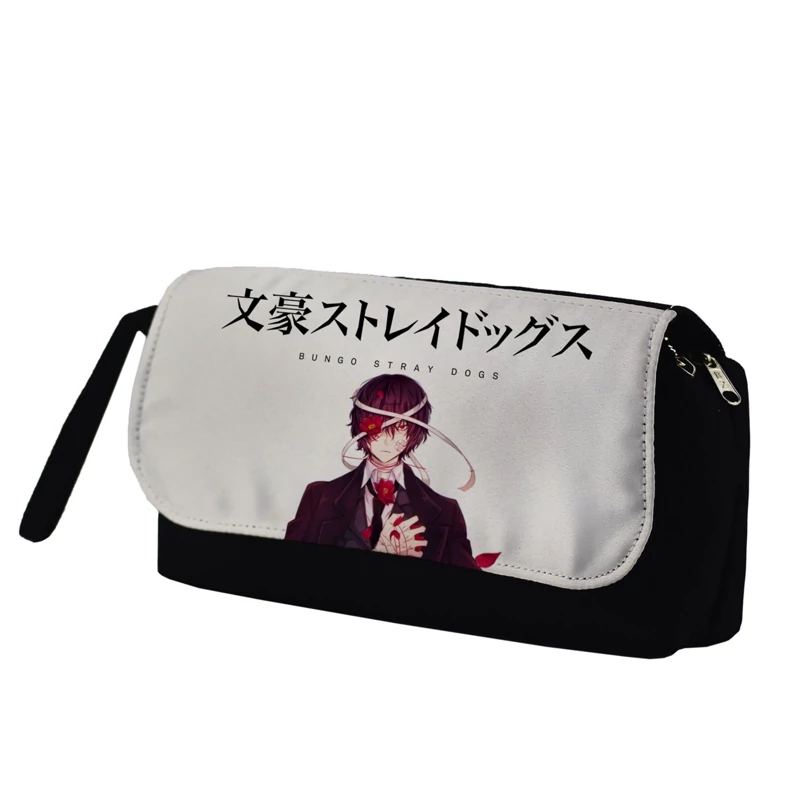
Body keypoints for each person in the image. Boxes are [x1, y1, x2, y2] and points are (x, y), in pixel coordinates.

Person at [284, 373, 479, 569]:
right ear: (361, 424)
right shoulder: (319, 497)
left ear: (415, 429)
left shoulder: (446, 512)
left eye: (400, 426)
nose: (387, 438)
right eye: (378, 424)